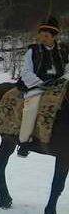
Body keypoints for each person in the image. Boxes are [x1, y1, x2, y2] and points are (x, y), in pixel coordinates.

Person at [17, 17, 67, 155]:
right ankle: (24, 142)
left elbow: (68, 69)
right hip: (37, 86)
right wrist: (40, 83)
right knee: (31, 107)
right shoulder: (33, 51)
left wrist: (62, 80)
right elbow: (26, 71)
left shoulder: (63, 51)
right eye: (41, 35)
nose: (42, 38)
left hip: (59, 85)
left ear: (54, 36)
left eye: (46, 36)